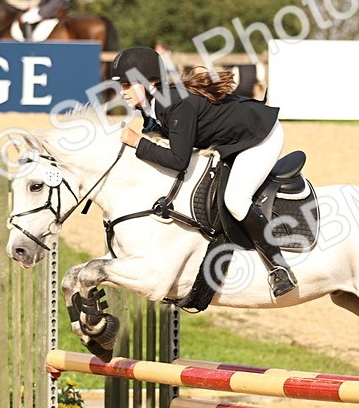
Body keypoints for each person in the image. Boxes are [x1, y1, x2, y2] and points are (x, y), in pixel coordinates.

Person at [111, 46, 297, 298]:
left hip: (260, 137)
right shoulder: (154, 102)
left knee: (236, 200)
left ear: (148, 82)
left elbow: (178, 160)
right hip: (232, 141)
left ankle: (279, 268)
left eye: (127, 85)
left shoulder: (175, 103)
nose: (122, 92)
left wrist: (138, 143)